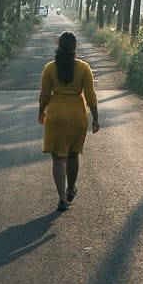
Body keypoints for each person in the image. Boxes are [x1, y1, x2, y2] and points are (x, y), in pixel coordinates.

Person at [38, 30, 99, 211]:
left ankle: (62, 198)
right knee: (73, 155)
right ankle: (71, 188)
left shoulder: (49, 68)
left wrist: (41, 111)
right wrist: (95, 118)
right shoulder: (83, 68)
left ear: (58, 46)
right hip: (77, 115)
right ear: (75, 46)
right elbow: (91, 96)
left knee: (58, 158)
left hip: (56, 115)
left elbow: (44, 95)